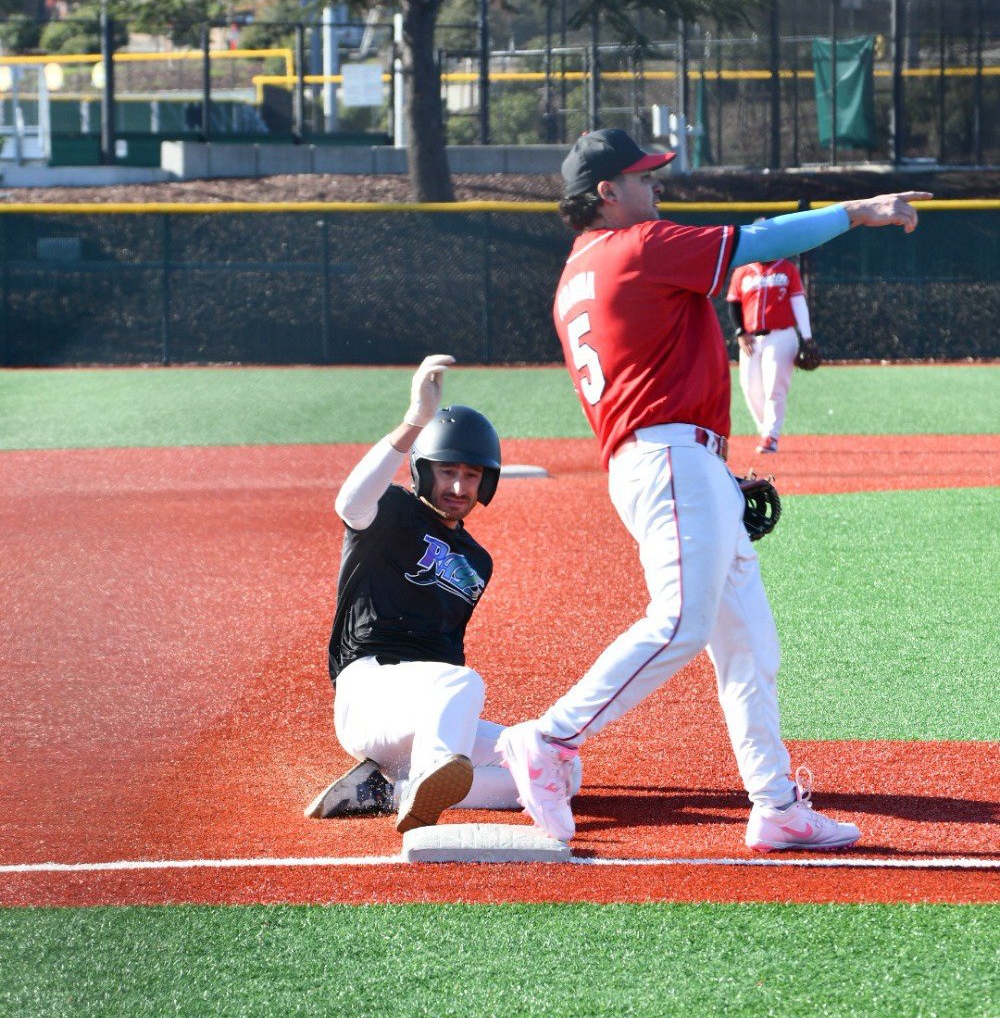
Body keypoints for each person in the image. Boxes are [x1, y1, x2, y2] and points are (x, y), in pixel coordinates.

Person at [498, 127, 930, 850]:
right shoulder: (638, 245)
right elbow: (758, 242)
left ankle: (776, 804)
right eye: (643, 177)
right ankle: (550, 738)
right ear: (607, 193)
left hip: (676, 460)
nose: (655, 186)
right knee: (680, 624)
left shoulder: (577, 271)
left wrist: (712, 479)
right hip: (671, 459)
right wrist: (860, 211)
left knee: (749, 645)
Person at [305, 355, 581, 834]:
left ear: (486, 481)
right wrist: (415, 419)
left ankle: (385, 791)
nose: (458, 486)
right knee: (462, 684)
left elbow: (445, 652)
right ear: (423, 470)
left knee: (557, 770)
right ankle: (429, 772)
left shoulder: (477, 562)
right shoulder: (390, 512)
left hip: (425, 707)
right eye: (447, 471)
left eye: (471, 475)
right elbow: (349, 502)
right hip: (369, 692)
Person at [727, 238, 814, 454]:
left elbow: (798, 303)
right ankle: (765, 428)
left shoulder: (787, 269)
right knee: (750, 387)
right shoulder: (743, 270)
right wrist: (740, 332)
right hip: (751, 338)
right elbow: (734, 303)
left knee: (775, 387)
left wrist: (807, 337)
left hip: (781, 335)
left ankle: (770, 436)